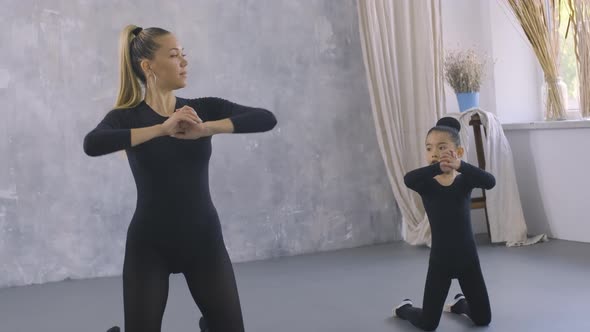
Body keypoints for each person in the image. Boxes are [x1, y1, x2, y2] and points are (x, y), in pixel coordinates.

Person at [84, 25, 277, 332]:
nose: (184, 62)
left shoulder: (200, 110)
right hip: (149, 247)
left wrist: (208, 128)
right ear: (148, 66)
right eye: (174, 55)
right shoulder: (127, 117)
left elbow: (266, 118)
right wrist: (163, 128)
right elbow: (92, 144)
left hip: (204, 242)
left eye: (183, 54)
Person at [393, 117, 494, 331]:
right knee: (428, 324)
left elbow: (490, 181)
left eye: (442, 147)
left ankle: (460, 304)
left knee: (483, 319)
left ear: (457, 152)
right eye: (429, 148)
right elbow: (408, 179)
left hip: (469, 262)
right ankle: (405, 309)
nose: (435, 153)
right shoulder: (426, 185)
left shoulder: (464, 181)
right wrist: (436, 168)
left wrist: (461, 166)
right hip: (440, 263)